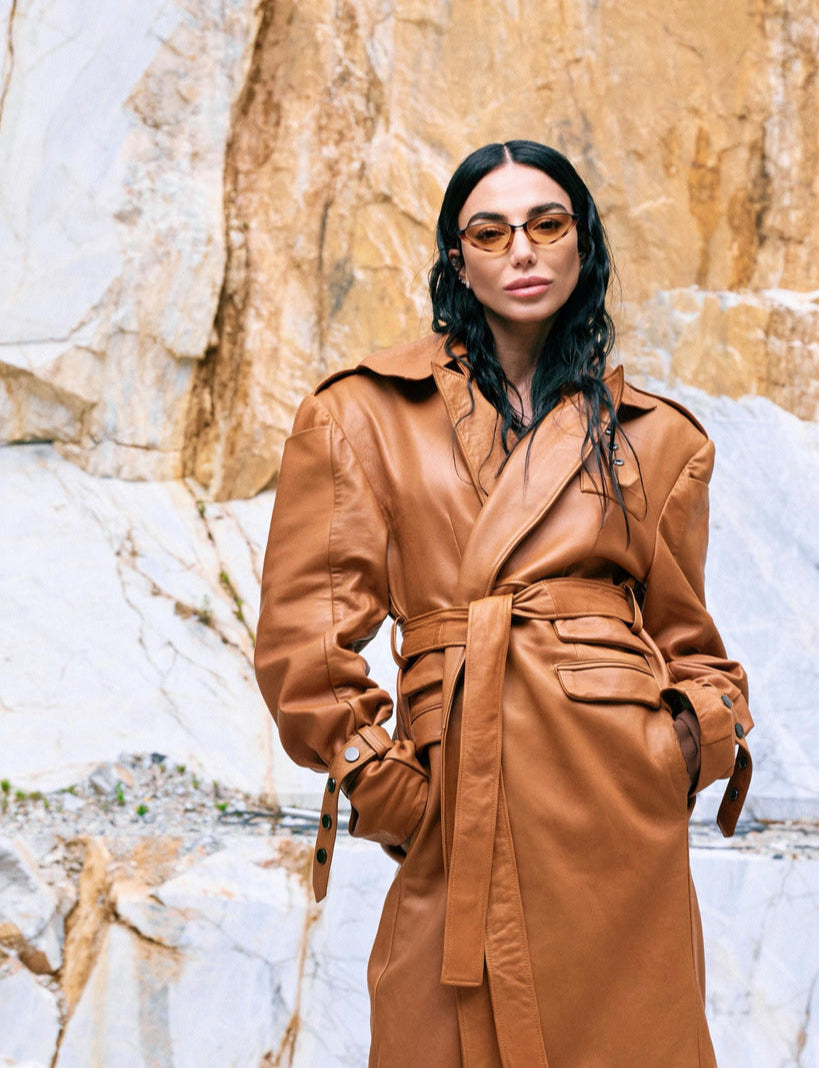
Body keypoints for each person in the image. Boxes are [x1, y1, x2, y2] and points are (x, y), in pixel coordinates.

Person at [255, 140, 753, 1067]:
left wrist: (684, 744)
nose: (522, 250)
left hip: (617, 810)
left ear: (582, 242)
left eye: (546, 224)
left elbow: (690, 643)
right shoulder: (362, 413)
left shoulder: (658, 439)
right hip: (459, 803)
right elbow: (303, 645)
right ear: (459, 260)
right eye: (490, 233)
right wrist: (389, 789)